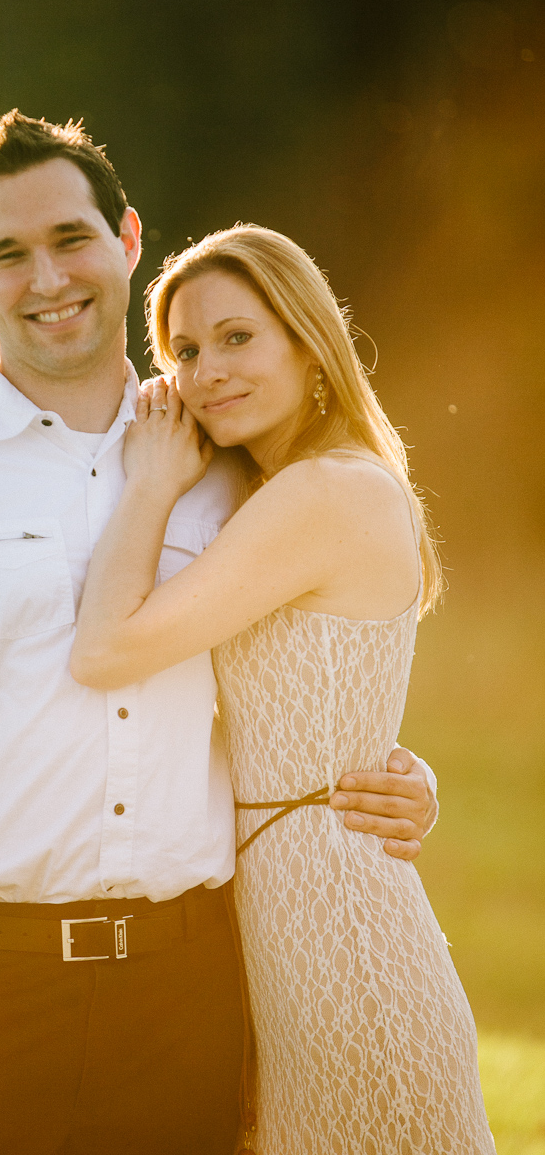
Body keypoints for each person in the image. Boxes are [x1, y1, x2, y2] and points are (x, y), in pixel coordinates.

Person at [0, 113, 437, 1155]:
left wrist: (392, 773)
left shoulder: (231, 465)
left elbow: (310, 653)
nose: (47, 277)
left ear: (125, 240)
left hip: (192, 996)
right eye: (8, 253)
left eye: (70, 238)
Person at [70, 224, 495, 1153]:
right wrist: (403, 773)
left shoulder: (325, 493)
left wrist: (146, 487)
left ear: (308, 343)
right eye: (182, 350)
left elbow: (104, 652)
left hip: (346, 946)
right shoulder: (276, 490)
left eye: (236, 337)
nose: (204, 370)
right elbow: (313, 700)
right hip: (286, 935)